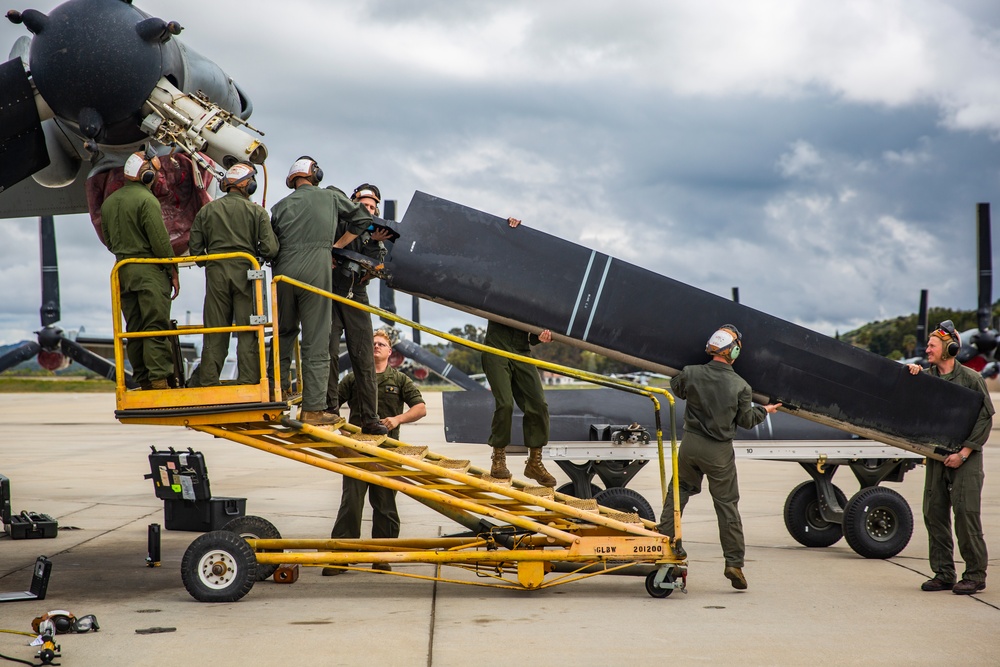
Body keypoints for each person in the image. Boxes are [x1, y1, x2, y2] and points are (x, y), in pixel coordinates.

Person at [655, 324, 781, 590]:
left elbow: (677, 387)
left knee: (677, 493)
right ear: (733, 351)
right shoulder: (741, 386)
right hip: (719, 452)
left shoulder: (691, 373)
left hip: (690, 445)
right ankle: (734, 563)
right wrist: (765, 410)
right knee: (726, 506)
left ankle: (666, 544)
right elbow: (746, 421)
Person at [270, 156, 368, 425]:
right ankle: (313, 409)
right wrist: (337, 245)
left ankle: (273, 393)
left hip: (283, 274)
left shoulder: (279, 207)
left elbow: (269, 244)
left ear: (292, 181)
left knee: (283, 334)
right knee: (315, 340)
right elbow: (363, 218)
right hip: (316, 273)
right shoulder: (330, 198)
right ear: (316, 174)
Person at [323, 329, 427, 575]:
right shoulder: (353, 378)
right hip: (356, 452)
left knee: (385, 505)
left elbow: (420, 408)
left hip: (387, 452)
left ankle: (383, 555)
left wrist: (398, 419)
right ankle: (341, 556)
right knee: (351, 504)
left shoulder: (400, 379)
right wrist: (343, 432)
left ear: (390, 352)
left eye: (381, 344)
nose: (377, 346)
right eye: (373, 344)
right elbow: (331, 405)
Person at [907, 320, 993, 595]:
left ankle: (975, 575)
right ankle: (944, 573)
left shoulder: (971, 379)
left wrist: (964, 452)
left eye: (932, 346)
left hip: (965, 458)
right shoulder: (928, 377)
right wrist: (913, 377)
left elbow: (984, 419)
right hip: (937, 456)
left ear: (949, 349)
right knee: (934, 513)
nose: (927, 349)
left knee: (966, 515)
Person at [481, 216, 558, 487]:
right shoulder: (501, 277)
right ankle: (498, 457)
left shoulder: (537, 292)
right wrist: (510, 231)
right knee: (504, 404)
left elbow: (533, 332)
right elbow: (494, 254)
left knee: (538, 405)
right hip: (496, 349)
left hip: (521, 350)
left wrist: (540, 338)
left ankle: (534, 462)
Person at [188, 162, 278, 386]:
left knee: (216, 329)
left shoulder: (206, 210)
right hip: (246, 273)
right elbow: (271, 249)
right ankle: (248, 380)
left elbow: (197, 253)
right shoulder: (256, 211)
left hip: (216, 272)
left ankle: (208, 381)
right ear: (248, 185)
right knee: (248, 328)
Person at [99, 151, 180, 390]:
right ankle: (158, 379)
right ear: (145, 174)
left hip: (122, 271)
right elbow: (160, 241)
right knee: (155, 325)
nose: (156, 177)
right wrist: (172, 270)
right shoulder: (147, 200)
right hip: (148, 271)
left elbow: (110, 242)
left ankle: (143, 378)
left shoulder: (109, 202)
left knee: (133, 328)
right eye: (154, 172)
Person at [324, 183, 391, 436]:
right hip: (330, 291)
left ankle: (370, 418)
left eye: (373, 207)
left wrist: (374, 243)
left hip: (356, 295)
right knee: (329, 351)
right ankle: (330, 409)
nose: (369, 210)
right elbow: (331, 190)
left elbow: (377, 266)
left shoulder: (373, 233)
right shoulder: (340, 220)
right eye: (364, 205)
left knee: (364, 357)